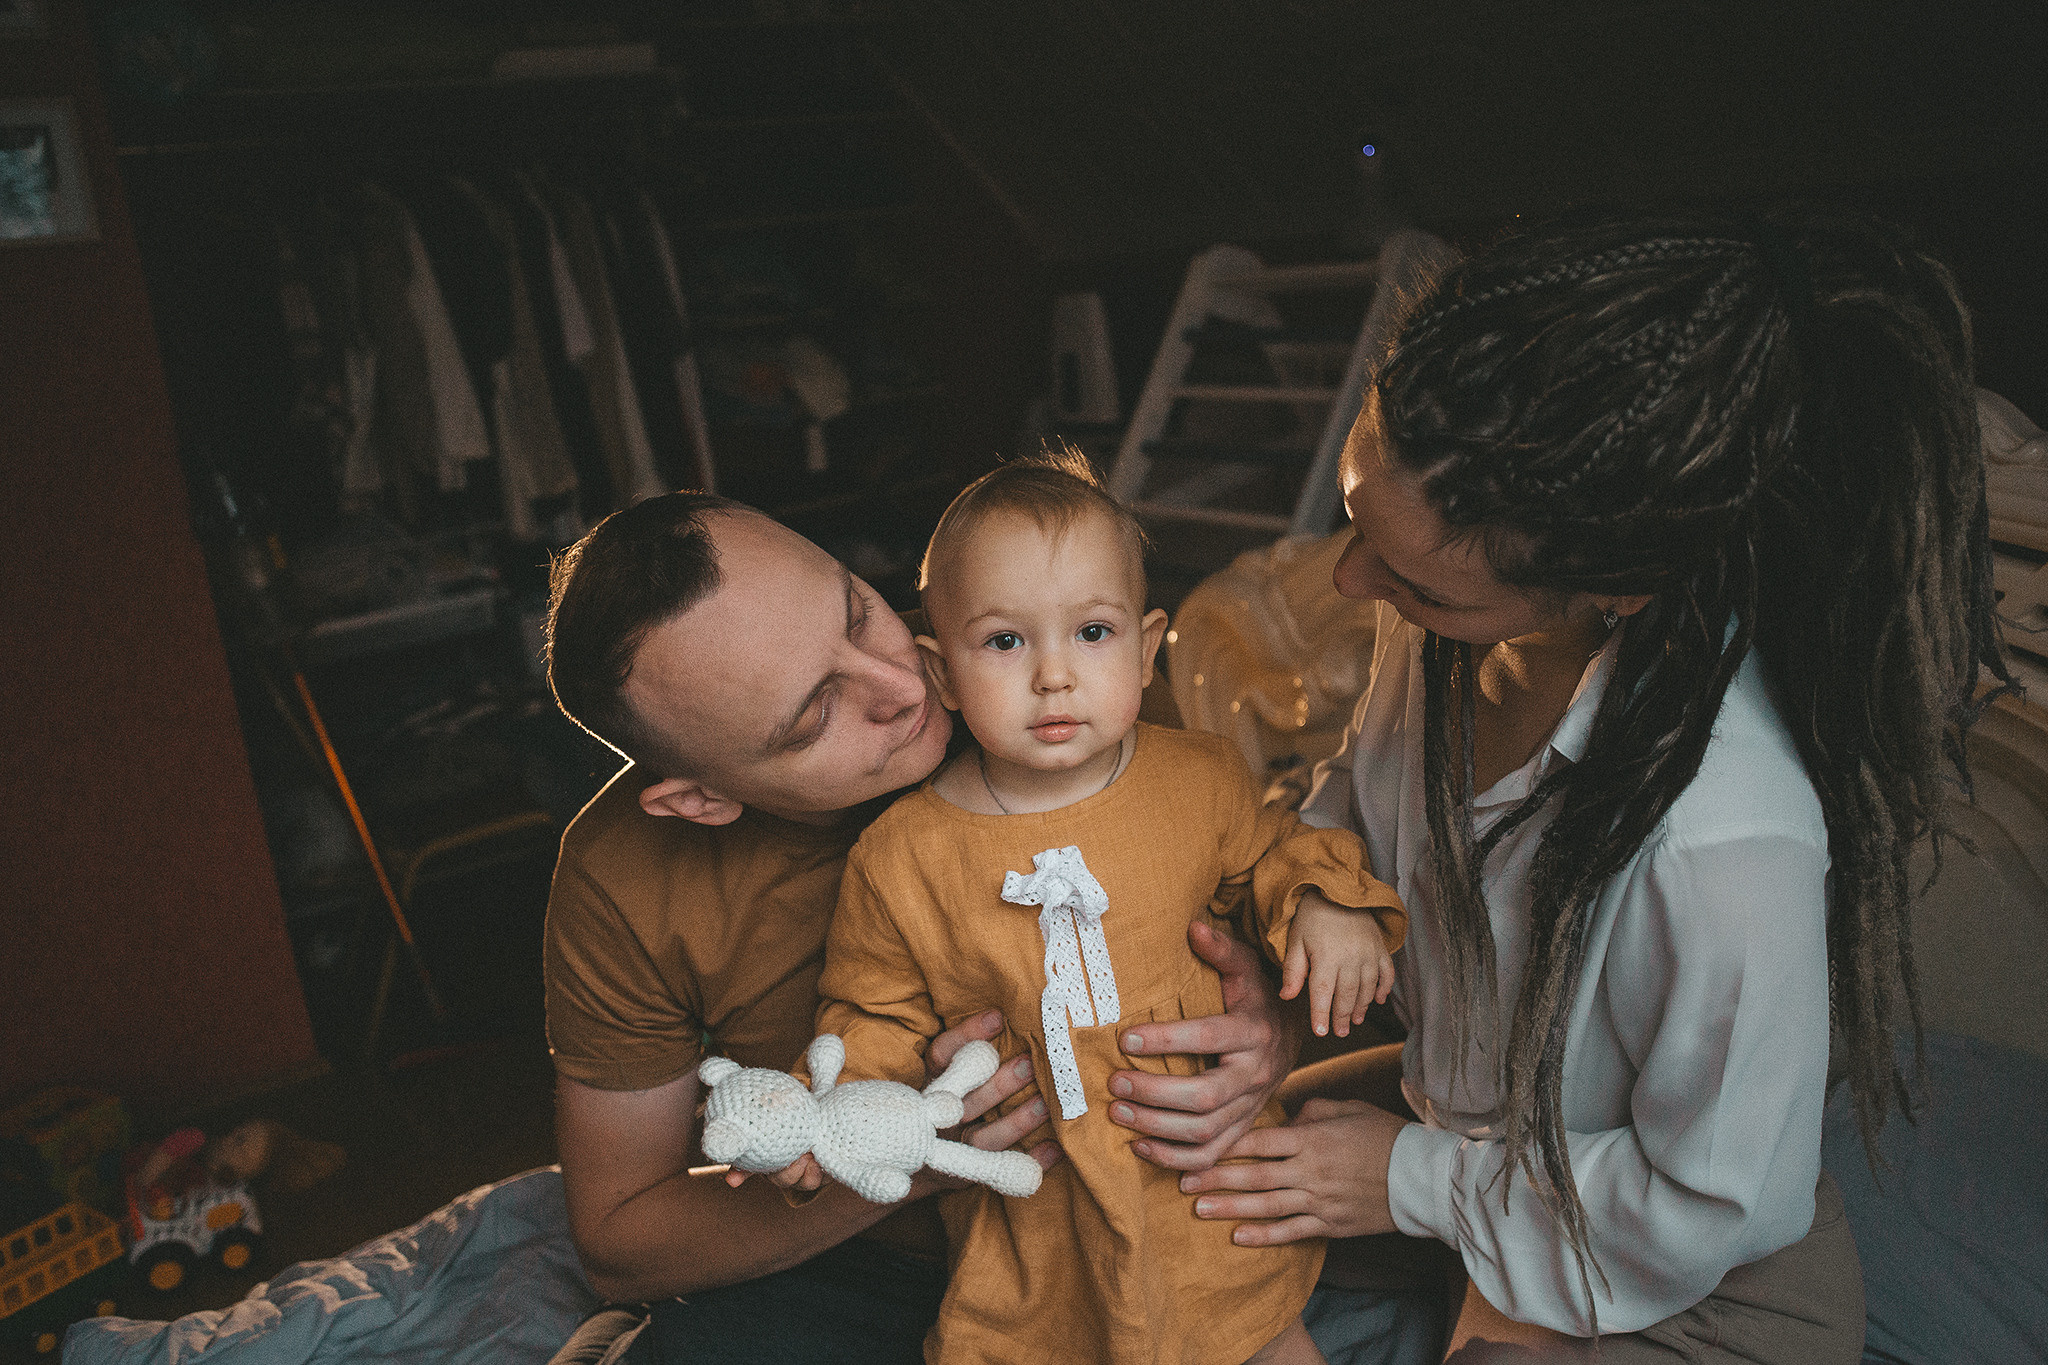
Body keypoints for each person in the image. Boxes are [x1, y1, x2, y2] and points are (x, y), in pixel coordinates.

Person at [1179, 211, 2012, 1363]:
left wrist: (1406, 1179)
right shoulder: (1436, 638)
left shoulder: (1722, 839)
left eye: (1417, 582)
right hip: (1472, 1140)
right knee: (1145, 1188)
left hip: (1682, 1273)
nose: (1351, 581)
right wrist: (1292, 939)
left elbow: (1707, 1205)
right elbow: (1348, 822)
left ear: (1617, 584)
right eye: (1355, 518)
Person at [541, 491, 1303, 1363]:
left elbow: (1249, 886)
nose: (904, 687)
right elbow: (618, 1237)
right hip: (863, 1257)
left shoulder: (1038, 648)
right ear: (702, 800)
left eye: (858, 611)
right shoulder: (621, 878)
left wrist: (1269, 1029)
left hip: (1138, 1207)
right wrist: (905, 1159)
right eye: (816, 713)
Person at [766, 454, 1408, 1365]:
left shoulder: (1200, 778)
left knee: (1263, 1337)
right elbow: (874, 1014)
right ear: (941, 671)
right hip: (1037, 1231)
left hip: (1205, 1198)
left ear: (1147, 650)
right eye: (1004, 642)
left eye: (1093, 632)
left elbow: (1277, 854)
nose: (1054, 675)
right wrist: (830, 1115)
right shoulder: (904, 854)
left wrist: (1324, 903)